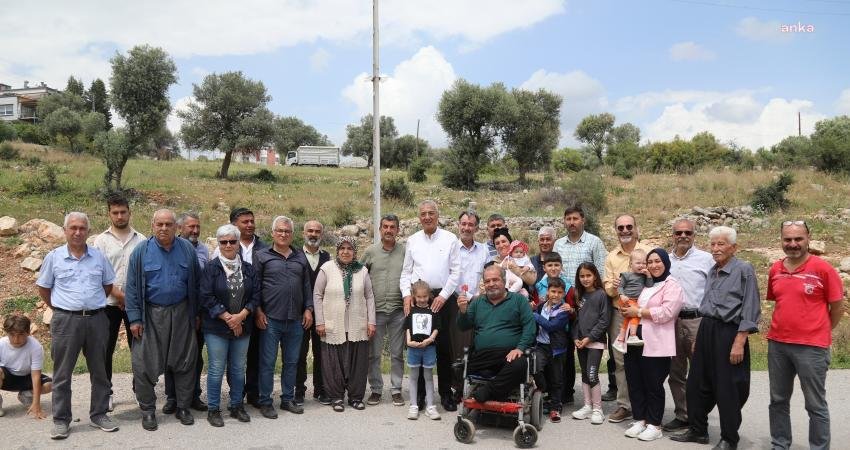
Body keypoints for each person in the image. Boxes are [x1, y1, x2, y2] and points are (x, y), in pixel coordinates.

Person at [672, 226, 761, 450]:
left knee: (728, 387)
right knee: (696, 383)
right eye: (712, 244)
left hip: (729, 332)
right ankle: (698, 430)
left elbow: (750, 308)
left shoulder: (744, 270)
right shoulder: (713, 270)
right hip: (706, 329)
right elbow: (708, 306)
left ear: (733, 247)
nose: (715, 248)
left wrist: (740, 341)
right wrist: (699, 337)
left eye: (721, 244)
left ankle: (729, 439)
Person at [36, 212, 118, 439]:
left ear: (88, 231)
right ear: (65, 231)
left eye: (82, 228)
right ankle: (61, 419)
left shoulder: (99, 257)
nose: (77, 232)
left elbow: (108, 285)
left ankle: (99, 414)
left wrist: (90, 305)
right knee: (62, 373)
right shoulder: (54, 257)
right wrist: (63, 308)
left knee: (100, 370)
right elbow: (44, 288)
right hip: (65, 321)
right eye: (73, 228)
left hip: (97, 320)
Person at [766, 221, 843, 450]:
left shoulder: (823, 269)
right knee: (778, 401)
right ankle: (780, 444)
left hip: (812, 347)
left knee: (815, 405)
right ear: (781, 239)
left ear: (808, 237)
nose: (793, 244)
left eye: (798, 239)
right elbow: (780, 302)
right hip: (778, 344)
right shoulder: (775, 270)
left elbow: (837, 307)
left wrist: (822, 331)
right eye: (787, 239)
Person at [125, 209, 202, 431]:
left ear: (176, 228)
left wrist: (195, 314)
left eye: (169, 224)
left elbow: (195, 284)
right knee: (144, 365)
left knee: (185, 362)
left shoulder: (187, 249)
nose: (164, 228)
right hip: (151, 316)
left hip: (182, 313)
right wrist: (134, 319)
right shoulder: (141, 252)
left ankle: (183, 407)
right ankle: (148, 411)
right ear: (152, 226)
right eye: (160, 224)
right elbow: (131, 288)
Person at [399, 199, 461, 412]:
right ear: (419, 217)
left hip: (443, 299)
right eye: (423, 213)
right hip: (419, 299)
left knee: (444, 348)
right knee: (419, 343)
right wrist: (407, 295)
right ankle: (422, 396)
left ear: (438, 215)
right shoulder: (413, 240)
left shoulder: (450, 238)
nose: (427, 217)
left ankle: (445, 394)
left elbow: (455, 272)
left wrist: (443, 296)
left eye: (431, 213)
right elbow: (406, 272)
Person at [199, 224, 260, 427]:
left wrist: (241, 316)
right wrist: (228, 318)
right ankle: (213, 409)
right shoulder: (211, 268)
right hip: (216, 327)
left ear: (237, 243)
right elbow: (206, 297)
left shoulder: (248, 269)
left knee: (237, 368)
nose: (228, 245)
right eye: (223, 242)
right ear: (218, 244)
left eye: (232, 241)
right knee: (216, 369)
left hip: (242, 325)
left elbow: (255, 296)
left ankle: (236, 405)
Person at [620, 248, 684, 442]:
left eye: (658, 261)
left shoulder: (672, 285)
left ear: (666, 263)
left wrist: (638, 312)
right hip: (635, 339)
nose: (654, 265)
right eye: (650, 262)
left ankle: (654, 424)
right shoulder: (646, 284)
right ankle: (640, 419)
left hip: (656, 341)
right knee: (635, 379)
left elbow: (667, 312)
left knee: (653, 383)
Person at [254, 216, 313, 419]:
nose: (283, 234)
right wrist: (258, 311)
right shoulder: (262, 256)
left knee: (292, 362)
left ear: (292, 234)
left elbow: (306, 286)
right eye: (279, 230)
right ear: (272, 233)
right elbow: (255, 288)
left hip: (295, 319)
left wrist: (308, 309)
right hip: (270, 319)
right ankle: (265, 401)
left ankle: (287, 399)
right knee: (268, 362)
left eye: (287, 231)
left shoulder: (300, 257)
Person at [92, 194, 145, 412]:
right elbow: (98, 272)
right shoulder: (100, 241)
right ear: (109, 214)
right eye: (115, 212)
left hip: (135, 305)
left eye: (123, 212)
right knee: (105, 350)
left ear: (129, 212)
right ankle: (106, 394)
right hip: (107, 304)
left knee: (139, 349)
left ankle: (140, 390)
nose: (120, 216)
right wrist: (120, 295)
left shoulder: (142, 240)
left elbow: (144, 273)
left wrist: (130, 299)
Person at [458, 264, 536, 403]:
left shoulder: (519, 300)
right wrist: (463, 311)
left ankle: (488, 392)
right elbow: (463, 326)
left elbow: (530, 328)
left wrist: (519, 348)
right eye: (487, 281)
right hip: (483, 356)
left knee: (520, 365)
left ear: (504, 281)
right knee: (459, 367)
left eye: (495, 280)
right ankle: (498, 390)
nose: (491, 284)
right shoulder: (477, 302)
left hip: (508, 355)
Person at [314, 237, 376, 412]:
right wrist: (320, 321)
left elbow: (370, 296)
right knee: (333, 362)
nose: (346, 251)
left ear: (355, 252)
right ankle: (336, 397)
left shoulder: (362, 271)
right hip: (332, 323)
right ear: (337, 250)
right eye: (342, 248)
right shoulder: (327, 269)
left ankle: (356, 397)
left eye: (350, 248)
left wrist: (371, 321)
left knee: (358, 362)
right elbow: (317, 295)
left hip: (357, 323)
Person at [664, 218, 714, 433]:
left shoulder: (707, 259)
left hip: (697, 321)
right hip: (671, 321)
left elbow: (714, 290)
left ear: (694, 235)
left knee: (701, 372)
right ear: (672, 235)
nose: (683, 236)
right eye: (678, 233)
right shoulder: (664, 259)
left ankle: (699, 417)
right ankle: (683, 414)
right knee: (676, 372)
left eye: (688, 232)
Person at [215, 207, 268, 407]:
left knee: (254, 353)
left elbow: (262, 283)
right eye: (245, 222)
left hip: (255, 308)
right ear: (233, 225)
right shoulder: (223, 247)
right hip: (229, 313)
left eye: (252, 221)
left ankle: (253, 393)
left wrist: (255, 310)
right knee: (233, 357)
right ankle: (236, 393)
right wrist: (231, 315)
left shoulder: (264, 248)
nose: (250, 225)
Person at [602, 214, 653, 423]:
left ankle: (649, 405)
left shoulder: (650, 252)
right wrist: (614, 287)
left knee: (648, 359)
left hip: (647, 315)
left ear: (635, 228)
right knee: (621, 360)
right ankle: (625, 405)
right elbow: (608, 288)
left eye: (628, 226)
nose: (625, 231)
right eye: (620, 227)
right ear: (616, 230)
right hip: (619, 313)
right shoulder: (611, 256)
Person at [161, 211, 209, 415]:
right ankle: (172, 397)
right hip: (177, 311)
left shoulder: (205, 250)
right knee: (173, 355)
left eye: (198, 227)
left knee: (195, 357)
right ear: (179, 228)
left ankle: (194, 395)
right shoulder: (174, 249)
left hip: (198, 311)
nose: (195, 230)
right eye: (191, 227)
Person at [362, 214, 406, 407]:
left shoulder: (405, 251)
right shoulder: (370, 252)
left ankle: (396, 390)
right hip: (376, 311)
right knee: (374, 354)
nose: (388, 230)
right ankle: (376, 390)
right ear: (379, 229)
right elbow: (359, 273)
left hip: (398, 310)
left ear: (398, 230)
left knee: (397, 353)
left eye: (392, 227)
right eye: (385, 227)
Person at [534, 252, 578, 405]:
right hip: (542, 337)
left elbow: (574, 306)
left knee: (563, 367)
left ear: (561, 267)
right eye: (550, 265)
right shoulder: (539, 285)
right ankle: (547, 394)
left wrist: (571, 310)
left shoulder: (568, 286)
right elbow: (536, 304)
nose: (553, 268)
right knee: (542, 367)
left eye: (556, 265)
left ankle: (564, 395)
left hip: (561, 331)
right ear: (544, 267)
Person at [295, 220, 331, 406]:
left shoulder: (327, 257)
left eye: (317, 231)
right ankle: (299, 391)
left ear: (321, 235)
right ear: (303, 233)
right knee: (299, 354)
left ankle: (321, 389)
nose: (313, 234)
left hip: (322, 314)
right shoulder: (294, 255)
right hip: (300, 313)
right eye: (310, 230)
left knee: (321, 353)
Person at [571, 262, 610, 425]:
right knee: (585, 374)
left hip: (595, 342)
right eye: (582, 276)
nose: (585, 279)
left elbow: (604, 321)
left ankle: (597, 409)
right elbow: (574, 320)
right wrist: (575, 338)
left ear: (595, 276)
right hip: (581, 343)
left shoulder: (601, 295)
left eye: (588, 275)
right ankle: (587, 406)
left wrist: (590, 338)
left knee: (592, 374)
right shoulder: (578, 295)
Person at [532, 277, 572, 423]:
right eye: (553, 291)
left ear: (563, 294)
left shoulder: (563, 310)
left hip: (557, 349)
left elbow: (551, 326)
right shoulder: (541, 306)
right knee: (535, 368)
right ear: (548, 291)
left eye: (560, 292)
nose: (556, 295)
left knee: (557, 379)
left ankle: (556, 407)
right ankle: (544, 392)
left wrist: (535, 316)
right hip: (541, 346)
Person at [0, 314, 53, 419]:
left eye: (20, 334)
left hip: (27, 377)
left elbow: (36, 376)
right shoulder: (1, 344)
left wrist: (36, 404)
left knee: (52, 385)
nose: (16, 339)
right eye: (12, 334)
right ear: (7, 333)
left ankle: (26, 395)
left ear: (28, 333)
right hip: (7, 377)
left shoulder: (35, 347)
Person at [405, 280, 441, 420]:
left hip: (429, 348)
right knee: (413, 377)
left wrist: (430, 339)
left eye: (424, 297)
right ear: (414, 296)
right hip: (413, 348)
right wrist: (409, 342)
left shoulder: (433, 310)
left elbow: (437, 327)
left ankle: (430, 406)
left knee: (428, 377)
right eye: (419, 297)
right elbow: (407, 327)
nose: (422, 299)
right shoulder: (411, 310)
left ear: (429, 296)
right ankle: (413, 405)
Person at [614, 248, 653, 351]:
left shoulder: (644, 276)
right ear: (631, 264)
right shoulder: (626, 275)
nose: (641, 265)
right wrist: (622, 295)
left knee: (627, 319)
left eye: (644, 263)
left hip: (635, 301)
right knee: (636, 314)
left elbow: (650, 286)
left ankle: (620, 340)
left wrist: (648, 275)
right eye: (638, 263)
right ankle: (632, 336)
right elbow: (620, 286)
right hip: (626, 300)